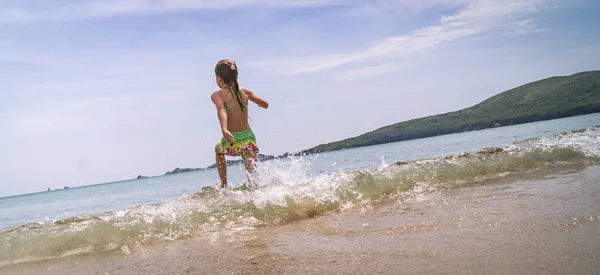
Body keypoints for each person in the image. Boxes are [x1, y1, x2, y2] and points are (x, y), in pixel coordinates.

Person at [210, 59, 269, 189]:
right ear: (236, 75)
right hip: (249, 140)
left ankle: (224, 184)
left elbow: (221, 109)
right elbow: (265, 104)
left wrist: (224, 130)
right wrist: (263, 105)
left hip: (234, 142)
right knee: (253, 181)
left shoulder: (217, 95)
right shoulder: (245, 92)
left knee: (218, 149)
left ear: (219, 79)